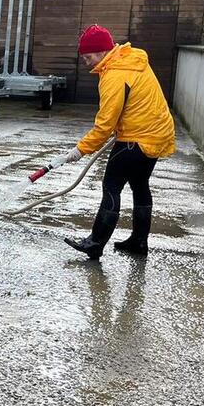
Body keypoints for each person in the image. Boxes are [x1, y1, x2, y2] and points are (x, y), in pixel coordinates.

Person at [63, 24, 175, 259]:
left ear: (103, 52)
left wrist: (80, 150)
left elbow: (104, 125)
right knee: (140, 185)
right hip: (157, 133)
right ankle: (139, 242)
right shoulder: (130, 60)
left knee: (111, 186)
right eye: (83, 58)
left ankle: (95, 242)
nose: (87, 63)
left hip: (136, 138)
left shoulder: (114, 74)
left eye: (89, 57)